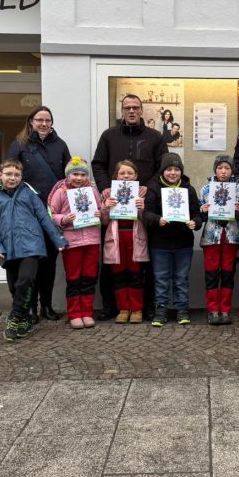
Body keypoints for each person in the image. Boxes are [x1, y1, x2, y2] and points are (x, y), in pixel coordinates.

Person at [91, 94, 168, 320]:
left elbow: (162, 168)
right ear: (122, 111)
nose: (131, 111)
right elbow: (98, 164)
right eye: (127, 108)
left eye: (135, 107)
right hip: (114, 209)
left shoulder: (155, 137)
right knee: (112, 261)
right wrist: (105, 188)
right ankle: (111, 306)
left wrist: (148, 188)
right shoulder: (109, 135)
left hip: (144, 207)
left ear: (142, 110)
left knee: (143, 262)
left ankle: (146, 306)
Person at [0, 159, 67, 342]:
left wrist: (57, 239)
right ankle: (24, 318)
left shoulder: (29, 194)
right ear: (0, 175)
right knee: (15, 287)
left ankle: (15, 317)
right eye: (8, 174)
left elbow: (44, 217)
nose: (12, 178)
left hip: (32, 246)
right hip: (9, 249)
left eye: (16, 175)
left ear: (21, 177)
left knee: (26, 280)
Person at [7, 105, 70, 323]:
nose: (44, 124)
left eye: (47, 120)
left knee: (50, 263)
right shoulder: (19, 145)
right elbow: (10, 174)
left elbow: (68, 177)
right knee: (31, 261)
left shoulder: (60, 145)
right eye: (39, 120)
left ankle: (47, 306)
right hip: (28, 213)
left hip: (52, 213)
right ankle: (30, 307)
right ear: (31, 122)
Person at [143, 153, 202, 326]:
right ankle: (160, 310)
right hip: (160, 243)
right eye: (169, 169)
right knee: (161, 278)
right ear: (163, 171)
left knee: (181, 278)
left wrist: (195, 223)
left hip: (184, 243)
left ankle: (182, 310)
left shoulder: (188, 189)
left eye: (176, 169)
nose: (173, 173)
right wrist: (157, 220)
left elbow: (197, 214)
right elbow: (146, 214)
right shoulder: (153, 188)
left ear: (181, 171)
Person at [47, 157, 103, 329]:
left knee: (89, 278)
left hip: (92, 240)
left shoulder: (92, 191)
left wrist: (101, 213)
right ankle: (74, 313)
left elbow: (101, 209)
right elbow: (51, 214)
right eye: (75, 174)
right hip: (72, 242)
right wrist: (64, 218)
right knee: (74, 278)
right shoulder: (60, 192)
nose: (79, 178)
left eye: (82, 175)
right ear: (68, 175)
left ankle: (87, 312)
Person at [101, 160, 149, 324]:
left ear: (136, 176)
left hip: (135, 238)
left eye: (130, 173)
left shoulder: (143, 193)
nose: (126, 176)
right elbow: (104, 221)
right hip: (116, 239)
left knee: (136, 275)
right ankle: (123, 308)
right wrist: (106, 207)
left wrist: (142, 208)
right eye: (122, 173)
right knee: (119, 274)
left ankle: (136, 309)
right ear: (116, 176)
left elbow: (147, 219)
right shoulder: (108, 194)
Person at [198, 154, 239, 325]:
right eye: (220, 168)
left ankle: (225, 309)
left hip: (231, 237)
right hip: (211, 238)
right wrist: (202, 210)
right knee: (211, 274)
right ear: (215, 170)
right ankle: (212, 310)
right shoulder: (205, 189)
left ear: (232, 170)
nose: (223, 171)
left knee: (227, 275)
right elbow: (198, 214)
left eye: (227, 168)